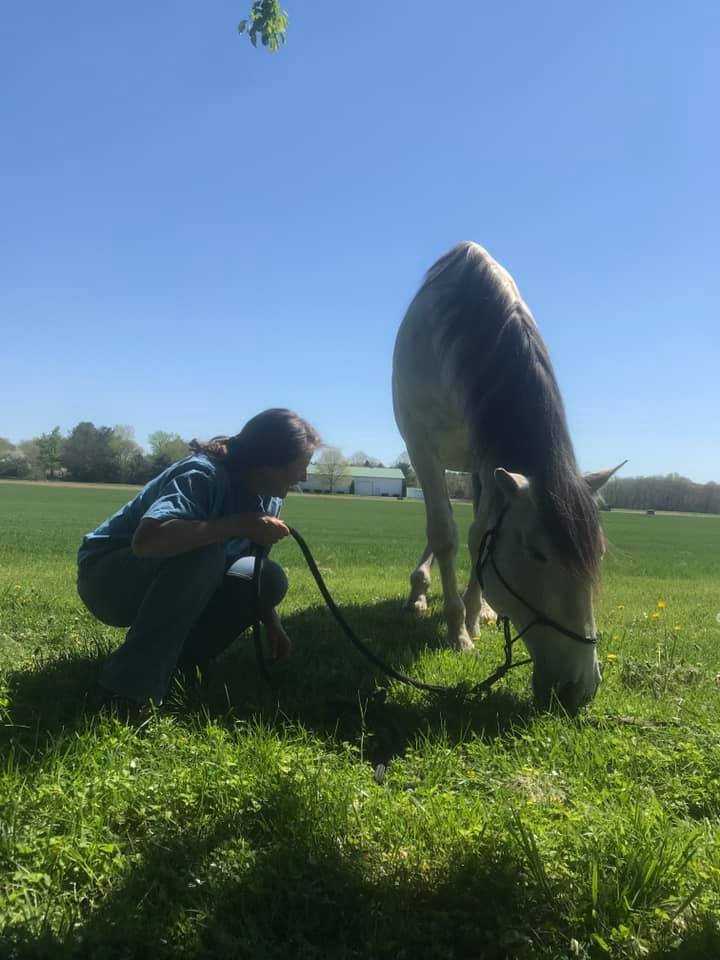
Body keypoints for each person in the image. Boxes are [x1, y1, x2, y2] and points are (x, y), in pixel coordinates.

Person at [76, 408, 321, 708]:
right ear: (266, 464)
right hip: (106, 580)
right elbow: (147, 541)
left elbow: (251, 562)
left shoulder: (268, 496)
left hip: (171, 573)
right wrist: (239, 524)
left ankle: (176, 668)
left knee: (267, 578)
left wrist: (272, 623)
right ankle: (127, 690)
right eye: (300, 466)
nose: (304, 476)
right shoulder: (203, 473)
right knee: (204, 551)